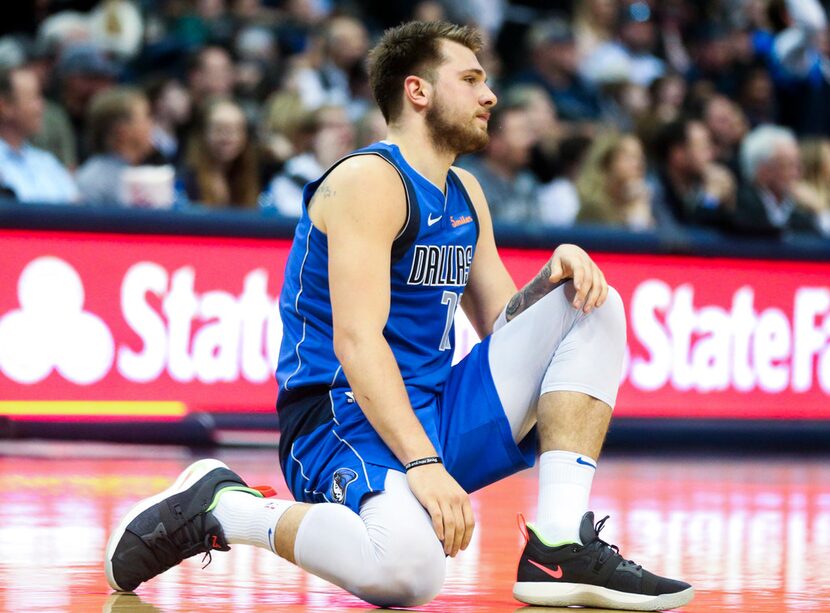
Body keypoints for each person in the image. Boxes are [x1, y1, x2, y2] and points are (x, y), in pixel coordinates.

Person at [105, 21, 694, 611]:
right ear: (419, 91)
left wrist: (552, 278)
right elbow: (357, 344)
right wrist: (425, 463)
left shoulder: (465, 191)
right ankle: (227, 510)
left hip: (433, 406)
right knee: (410, 574)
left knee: (590, 301)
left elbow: (502, 327)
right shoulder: (368, 180)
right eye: (470, 80)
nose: (489, 97)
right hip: (341, 415)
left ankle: (559, 547)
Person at [0, 65, 78, 204]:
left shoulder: (47, 163)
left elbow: (79, 213)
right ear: (5, 106)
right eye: (35, 98)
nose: (42, 106)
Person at [76, 86, 156, 206]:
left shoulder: (147, 174)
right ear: (122, 131)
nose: (152, 124)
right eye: (146, 117)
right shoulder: (93, 181)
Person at [178, 97, 260, 208]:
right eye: (219, 128)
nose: (228, 136)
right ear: (203, 133)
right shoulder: (185, 181)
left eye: (236, 129)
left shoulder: (251, 177)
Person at [576, 131, 655, 230]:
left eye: (640, 158)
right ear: (608, 163)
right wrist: (638, 213)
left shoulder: (643, 201)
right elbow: (630, 242)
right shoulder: (594, 208)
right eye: (629, 157)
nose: (639, 164)